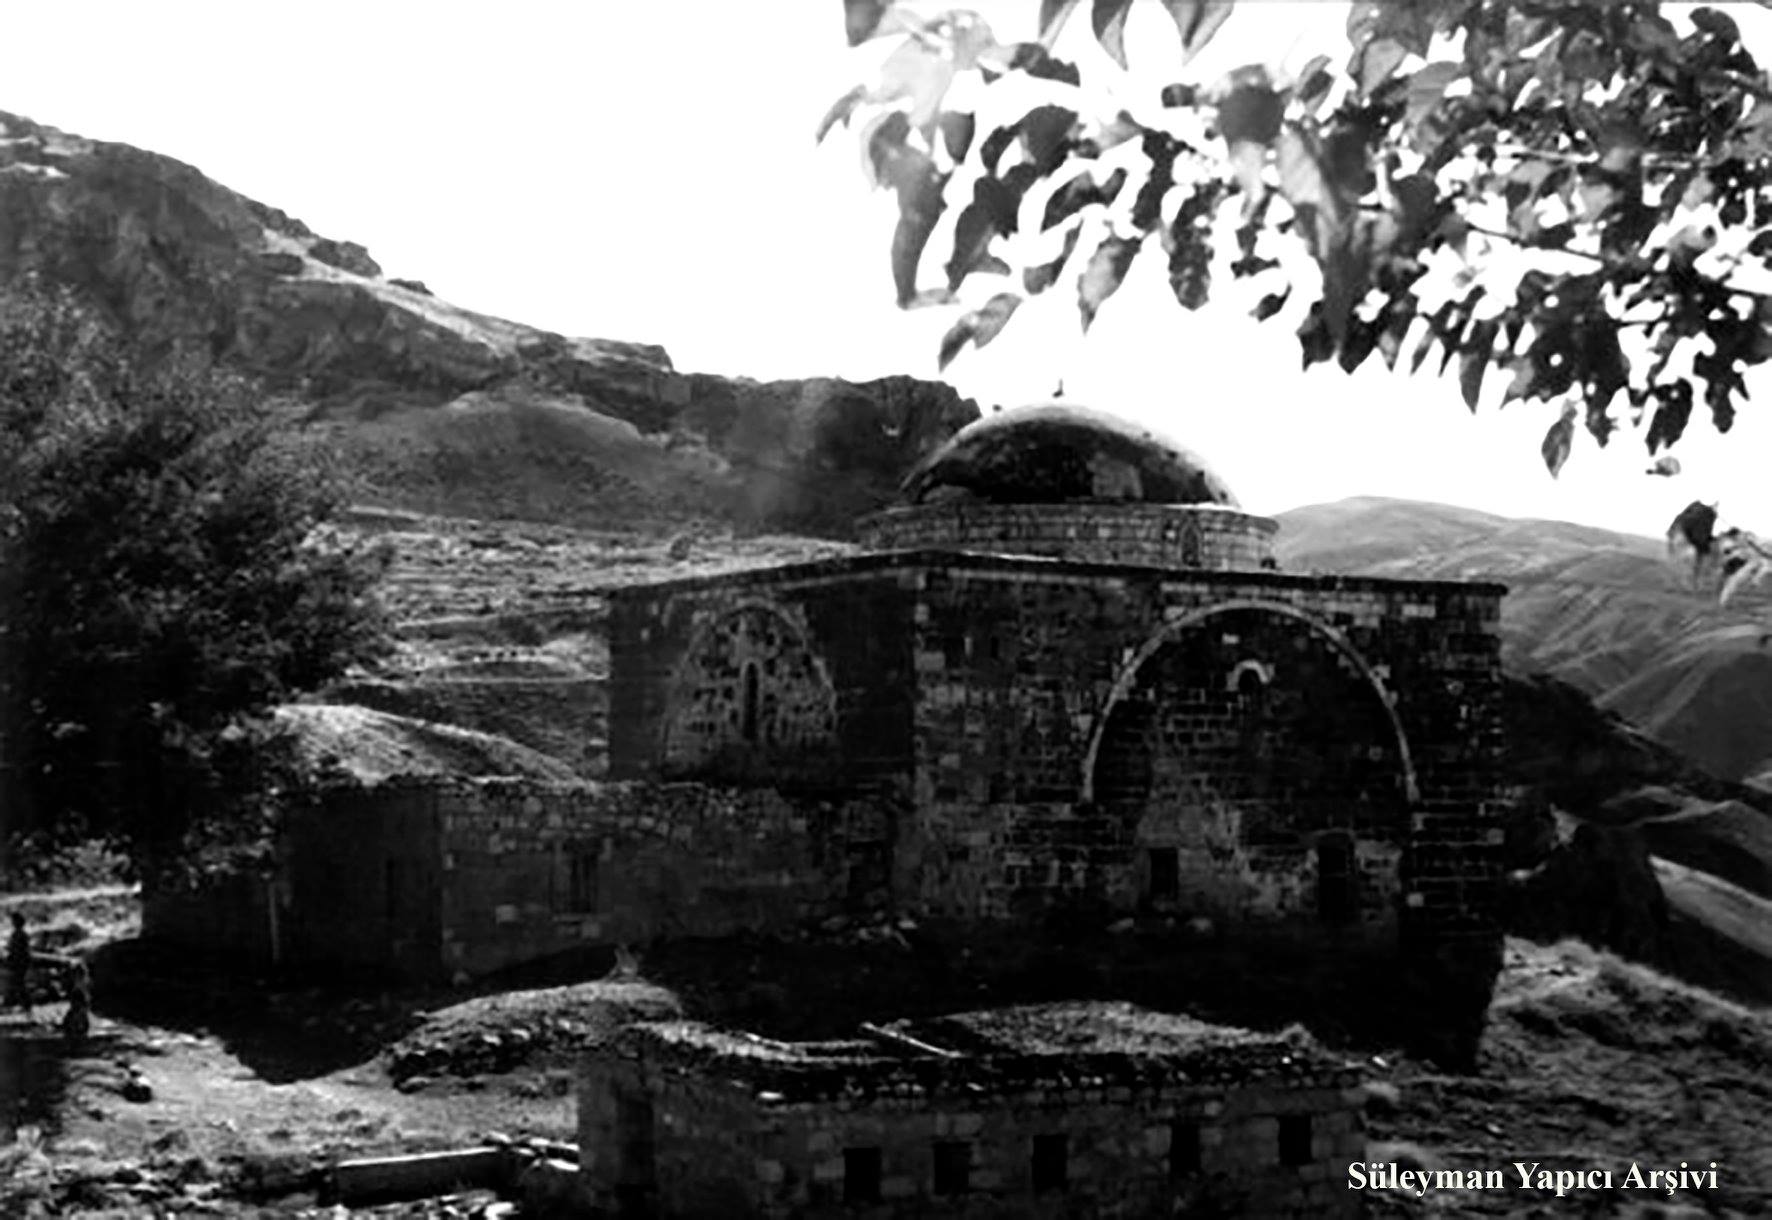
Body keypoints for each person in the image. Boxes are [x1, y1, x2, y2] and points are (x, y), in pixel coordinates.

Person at [5, 911, 31, 1016]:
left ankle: (25, 1003)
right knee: (18, 983)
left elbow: (17, 949)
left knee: (18, 983)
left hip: (18, 962)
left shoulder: (18, 935)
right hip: (21, 962)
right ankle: (20, 1003)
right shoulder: (21, 934)